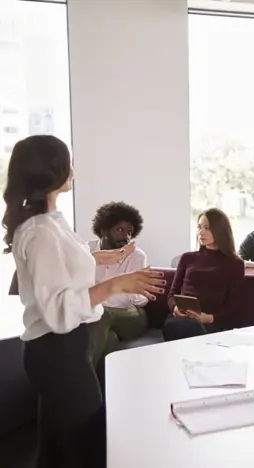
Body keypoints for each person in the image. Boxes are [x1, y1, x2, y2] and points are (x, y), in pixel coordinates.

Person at [3, 135, 164, 468]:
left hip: (61, 350)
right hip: (59, 352)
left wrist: (106, 257)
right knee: (90, 445)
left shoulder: (50, 224)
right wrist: (118, 282)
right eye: (68, 161)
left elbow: (64, 265)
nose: (73, 169)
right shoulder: (42, 231)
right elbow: (59, 308)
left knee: (57, 451)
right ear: (52, 170)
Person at [163, 208, 245, 341]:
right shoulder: (187, 258)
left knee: (194, 328)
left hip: (210, 321)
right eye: (199, 227)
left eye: (207, 228)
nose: (201, 232)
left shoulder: (235, 263)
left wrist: (210, 318)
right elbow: (172, 294)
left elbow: (233, 303)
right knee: (182, 326)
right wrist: (175, 308)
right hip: (180, 318)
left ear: (219, 230)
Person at [87, 201, 149, 366]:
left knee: (102, 313)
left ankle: (79, 373)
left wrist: (99, 296)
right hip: (96, 317)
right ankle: (100, 389)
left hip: (132, 315)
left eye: (130, 232)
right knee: (110, 339)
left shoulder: (137, 256)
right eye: (120, 230)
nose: (126, 237)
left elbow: (137, 299)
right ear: (104, 230)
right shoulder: (86, 251)